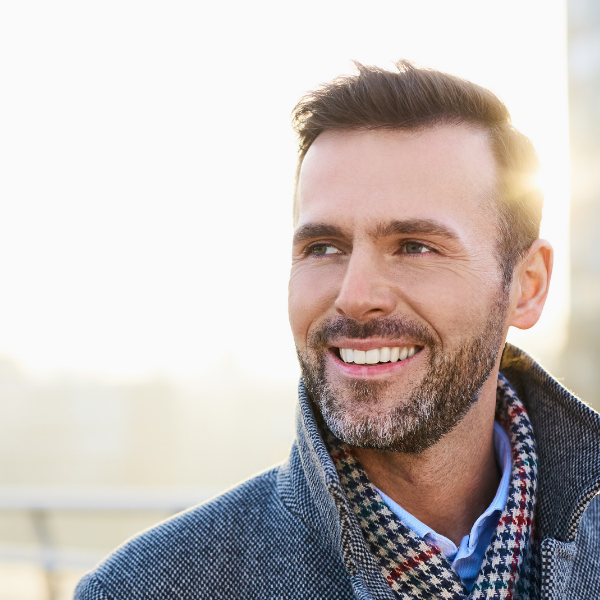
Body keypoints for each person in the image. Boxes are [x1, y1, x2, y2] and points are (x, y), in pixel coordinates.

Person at [75, 61, 600, 600]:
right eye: (323, 248)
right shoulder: (151, 588)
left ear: (527, 286)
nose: (354, 294)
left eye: (415, 246)